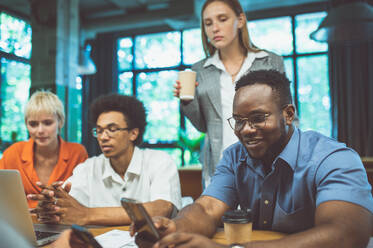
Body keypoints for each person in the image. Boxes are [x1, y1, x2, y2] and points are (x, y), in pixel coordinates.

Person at [144, 70, 373, 248]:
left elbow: (345, 235)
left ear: (288, 114)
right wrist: (176, 227)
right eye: (239, 120)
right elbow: (207, 208)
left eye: (258, 118)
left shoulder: (332, 159)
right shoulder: (235, 157)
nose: (246, 130)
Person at [174, 0, 285, 187]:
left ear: (240, 20)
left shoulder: (270, 61)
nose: (215, 28)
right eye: (208, 23)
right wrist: (187, 101)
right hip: (220, 165)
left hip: (266, 162)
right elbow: (203, 125)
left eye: (222, 19)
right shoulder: (200, 69)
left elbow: (287, 116)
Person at [29, 94, 182, 226]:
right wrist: (50, 203)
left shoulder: (159, 161)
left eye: (112, 129)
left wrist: (87, 215)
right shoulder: (89, 168)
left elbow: (162, 208)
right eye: (99, 130)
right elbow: (65, 206)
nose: (103, 137)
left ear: (133, 133)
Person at [0, 90, 88, 208]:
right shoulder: (13, 153)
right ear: (26, 125)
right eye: (33, 124)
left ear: (60, 122)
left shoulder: (77, 153)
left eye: (47, 123)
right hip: (22, 223)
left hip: (64, 223)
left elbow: (85, 201)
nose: (40, 130)